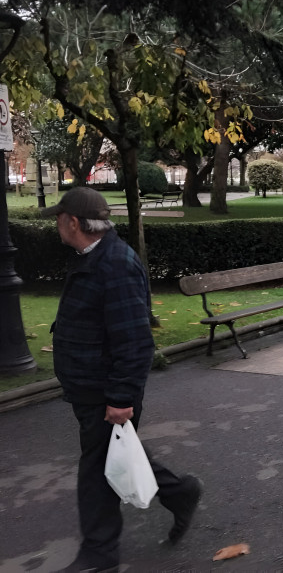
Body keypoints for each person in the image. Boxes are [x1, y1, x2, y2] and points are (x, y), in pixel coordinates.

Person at [42, 188, 201, 572]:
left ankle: (100, 554)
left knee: (96, 470)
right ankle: (180, 492)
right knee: (114, 456)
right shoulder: (93, 257)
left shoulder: (114, 264)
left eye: (59, 218)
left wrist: (120, 397)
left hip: (104, 389)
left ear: (74, 222)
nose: (56, 225)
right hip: (90, 385)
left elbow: (134, 340)